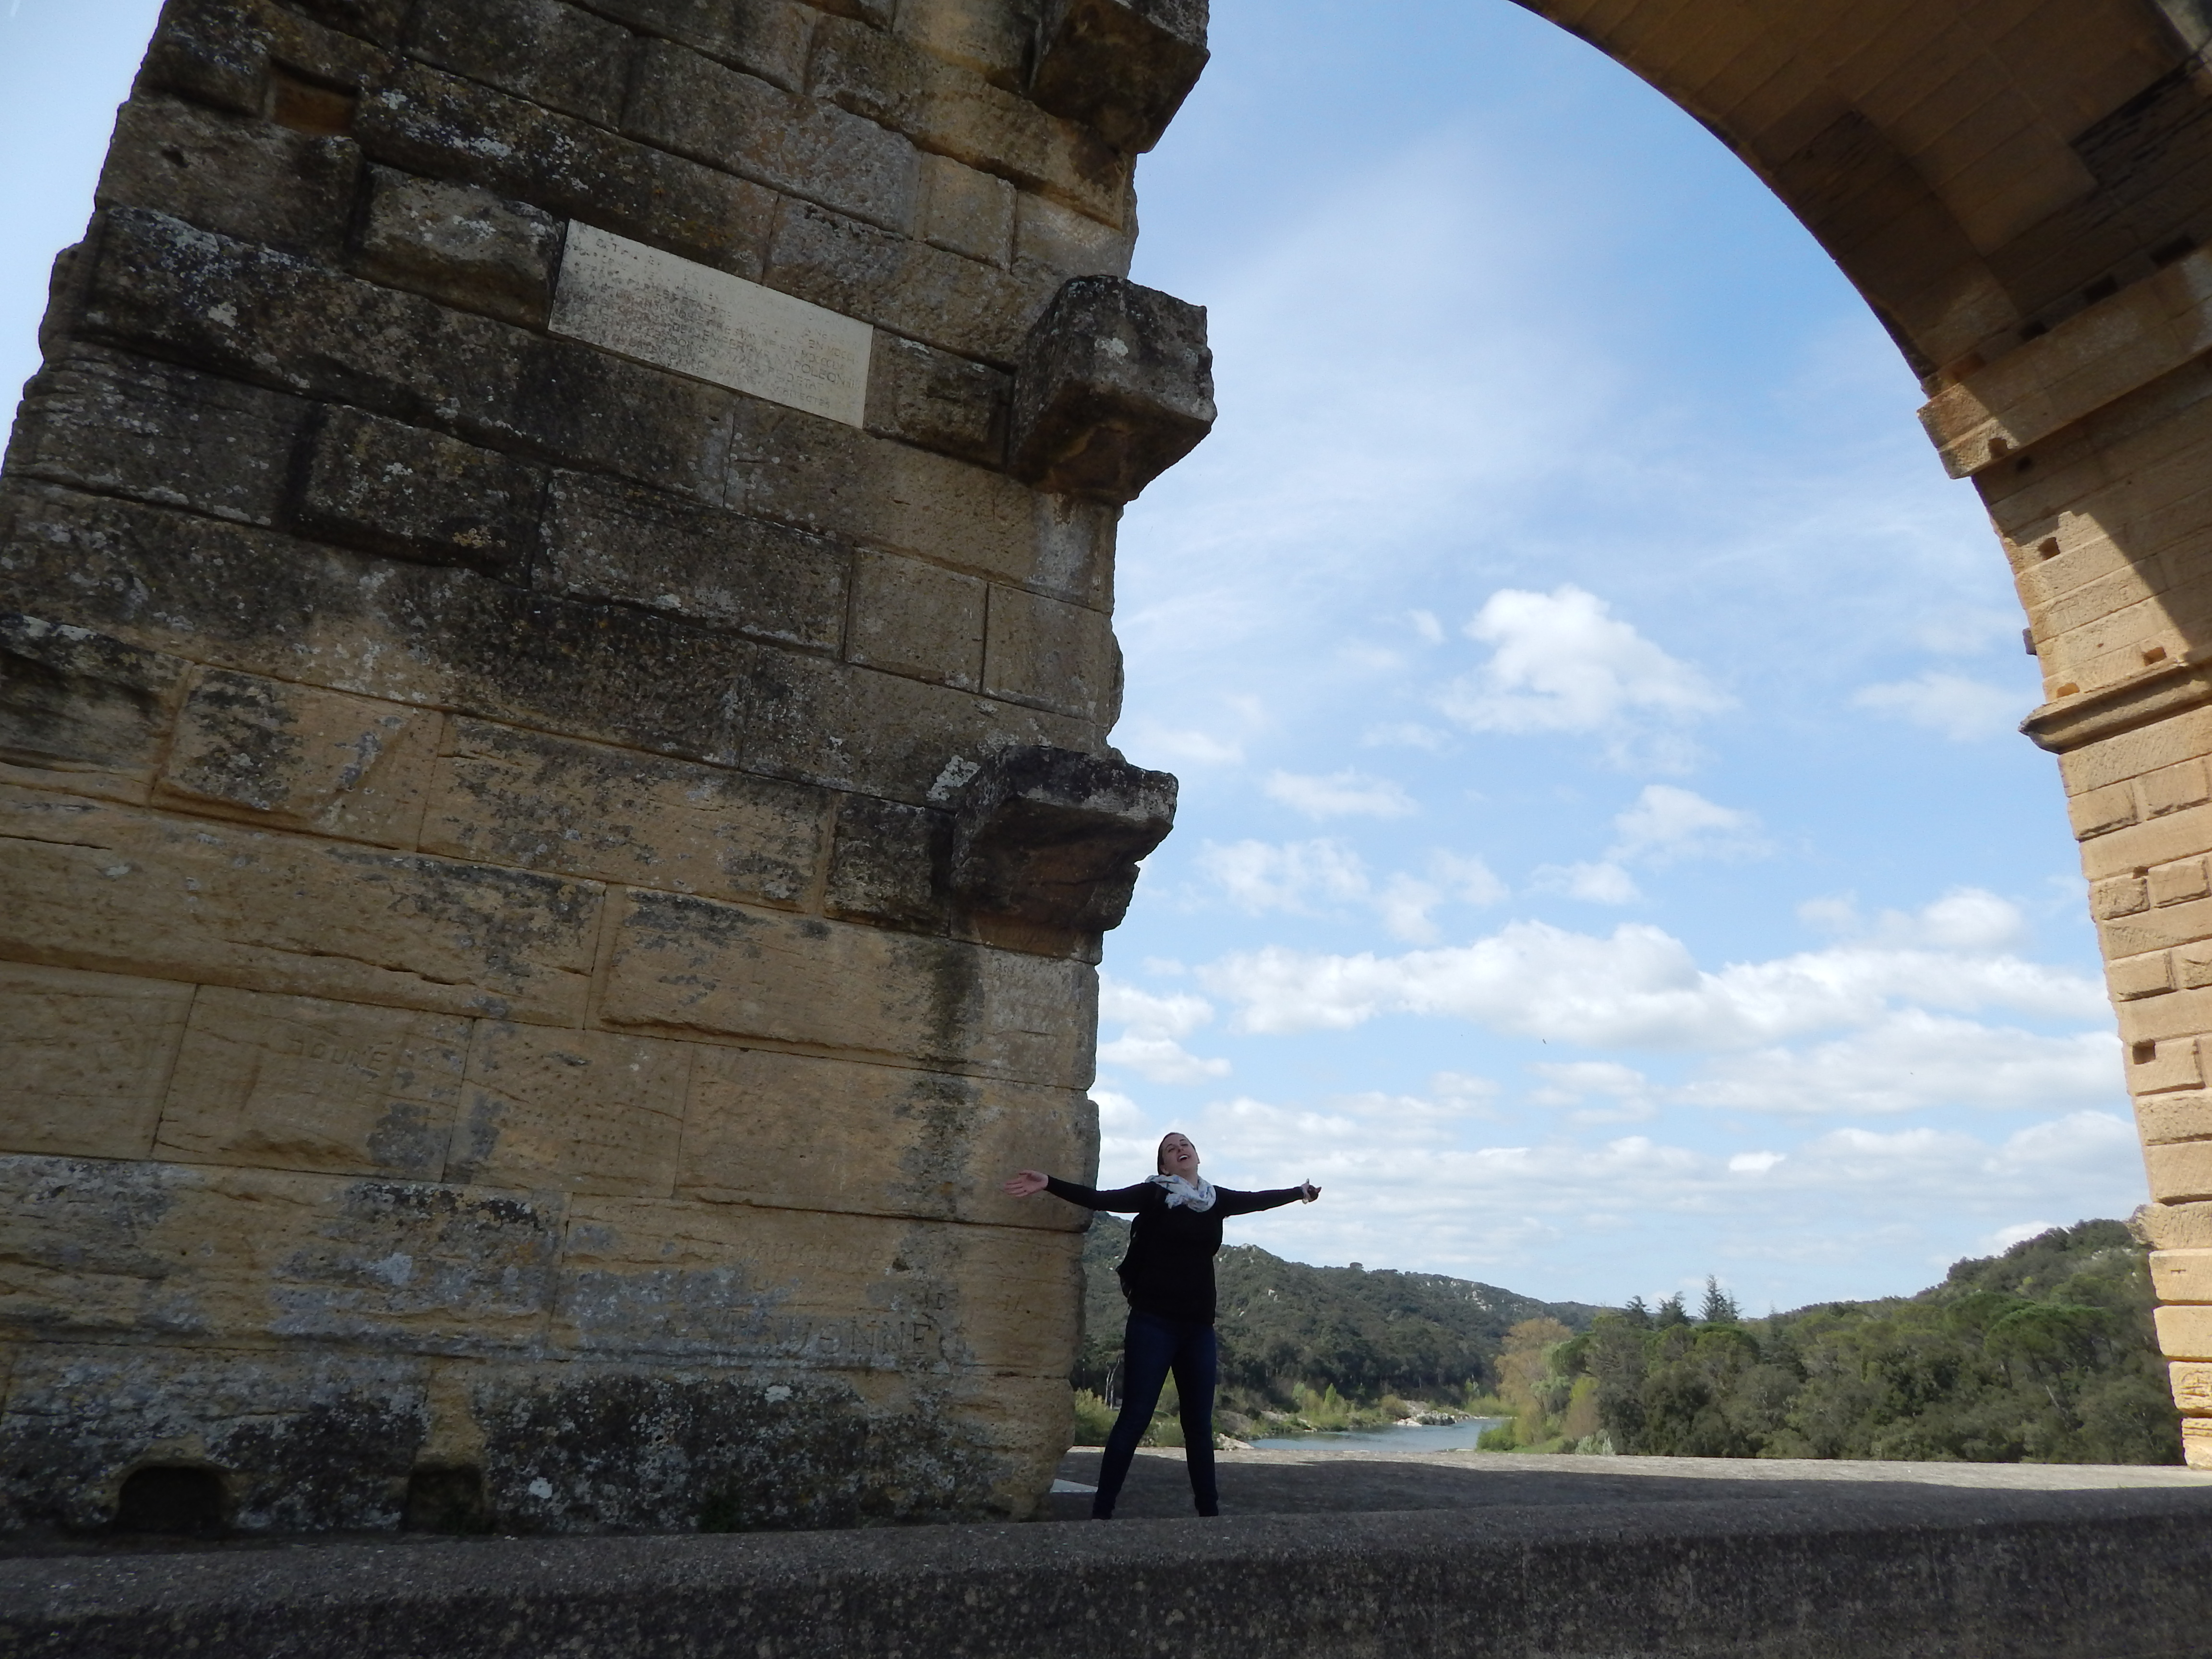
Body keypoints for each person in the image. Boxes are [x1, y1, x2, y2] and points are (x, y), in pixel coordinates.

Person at [1002, 1132, 1320, 1519]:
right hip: (1153, 1324)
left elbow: (1257, 1200)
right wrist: (1049, 1182)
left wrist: (1299, 1193)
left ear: (1197, 1156)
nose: (1180, 1149)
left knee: (1199, 1426)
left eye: (1185, 1144)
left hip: (1198, 1329)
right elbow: (1101, 1199)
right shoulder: (1154, 1195)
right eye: (1171, 1148)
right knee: (1135, 1418)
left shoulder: (1215, 1200)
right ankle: (1102, 1513)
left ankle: (1209, 1515)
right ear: (1164, 1166)